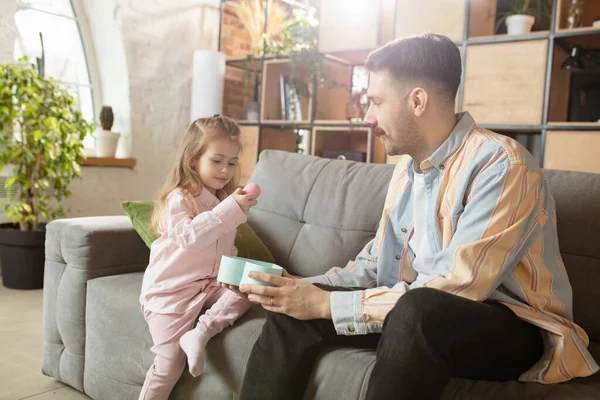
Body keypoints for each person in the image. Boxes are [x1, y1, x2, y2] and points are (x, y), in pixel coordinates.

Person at [229, 33, 599, 400]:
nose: (367, 116)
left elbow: (459, 285)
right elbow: (375, 264)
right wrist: (293, 288)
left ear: (417, 101)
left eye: (375, 101)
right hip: (418, 317)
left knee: (415, 309)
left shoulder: (502, 166)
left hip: (513, 327)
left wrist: (326, 304)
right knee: (298, 309)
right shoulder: (408, 171)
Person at [138, 115, 256, 400]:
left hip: (208, 286)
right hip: (172, 292)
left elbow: (224, 247)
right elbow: (190, 238)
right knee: (168, 363)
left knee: (248, 288)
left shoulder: (223, 200)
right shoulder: (180, 199)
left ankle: (200, 333)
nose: (225, 170)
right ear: (193, 160)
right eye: (216, 161)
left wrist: (237, 272)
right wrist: (228, 210)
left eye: (231, 162)